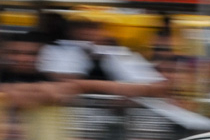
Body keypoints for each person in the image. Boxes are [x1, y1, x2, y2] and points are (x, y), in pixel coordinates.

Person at [38, 16, 167, 98]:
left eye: (94, 28)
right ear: (71, 32)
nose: (88, 33)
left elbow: (156, 88)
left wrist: (87, 85)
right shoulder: (58, 50)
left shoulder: (118, 53)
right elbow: (64, 84)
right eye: (82, 28)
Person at [0, 32, 77, 109]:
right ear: (2, 53)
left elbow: (63, 93)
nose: (22, 59)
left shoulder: (53, 76)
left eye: (32, 54)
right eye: (14, 53)